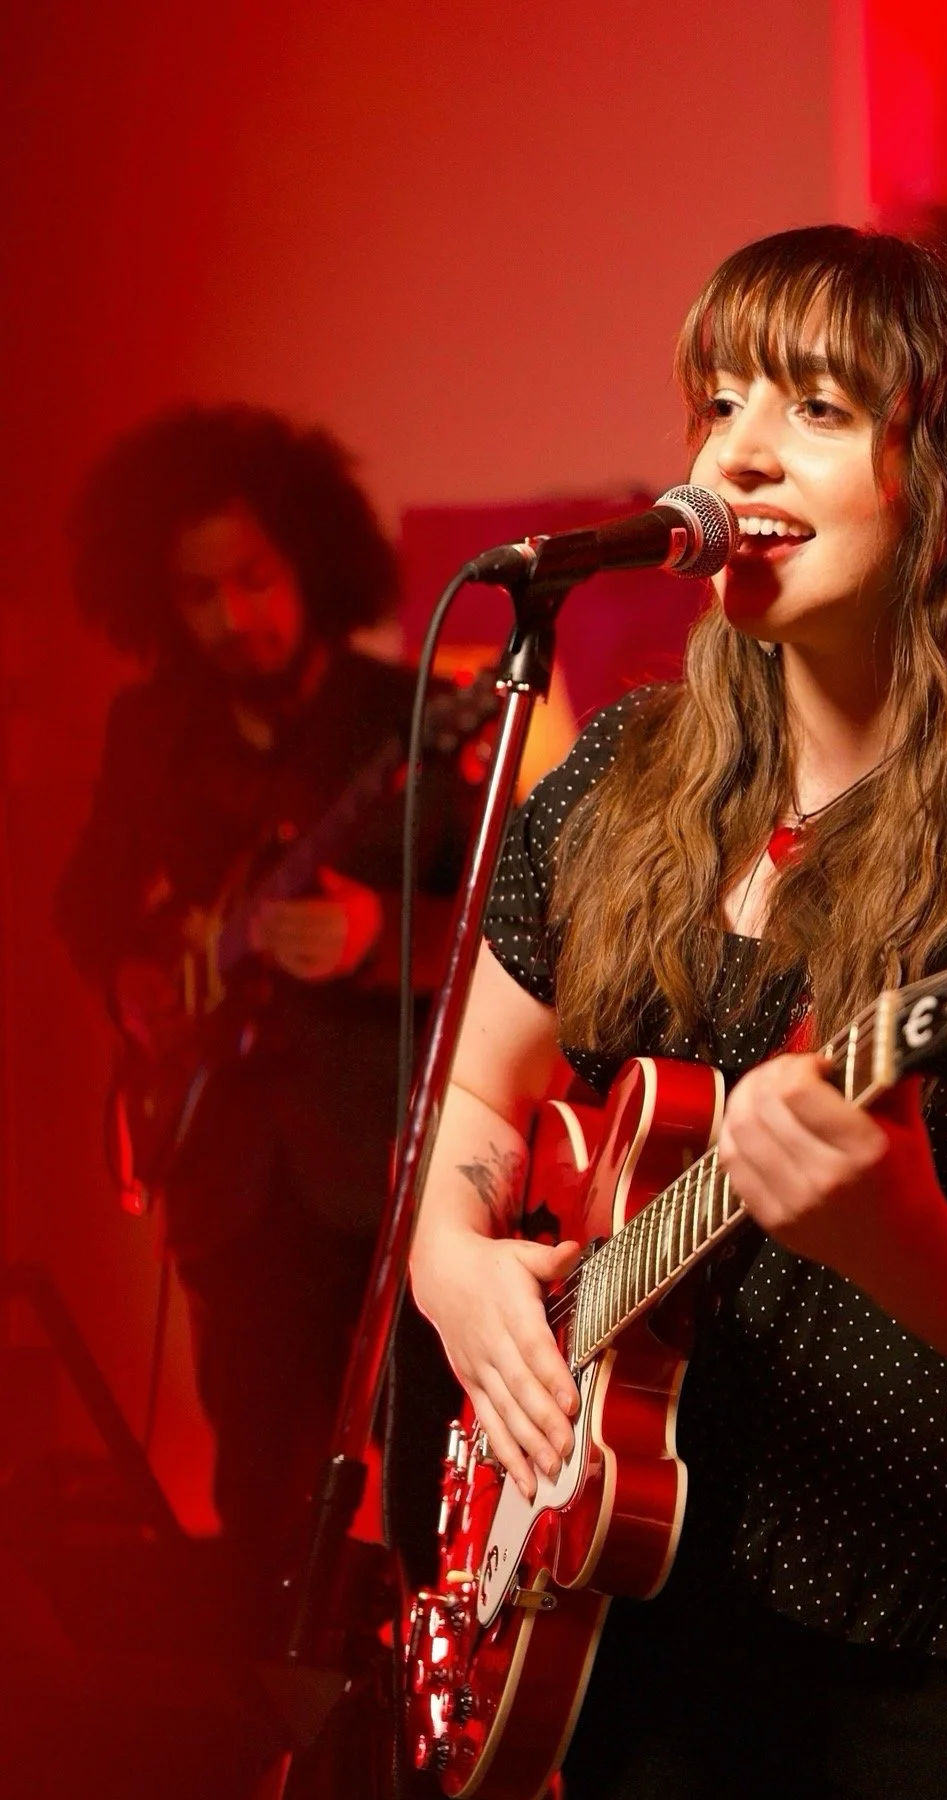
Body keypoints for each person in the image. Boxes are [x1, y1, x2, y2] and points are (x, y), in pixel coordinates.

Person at [408, 227, 947, 1798]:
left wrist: (888, 1217)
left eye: (816, 408)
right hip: (654, 1600)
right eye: (720, 401)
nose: (738, 451)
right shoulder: (618, 780)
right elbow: (472, 1105)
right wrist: (455, 1269)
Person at [56, 404, 474, 1606]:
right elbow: (84, 902)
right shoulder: (149, 731)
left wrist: (378, 936)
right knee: (253, 1488)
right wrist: (140, 979)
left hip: (383, 1160)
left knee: (416, 1479)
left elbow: (509, 935)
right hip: (224, 1162)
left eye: (254, 579)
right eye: (199, 594)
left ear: (309, 563)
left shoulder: (405, 712)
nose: (233, 618)